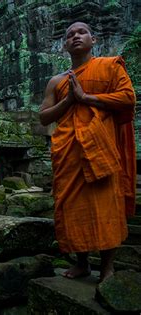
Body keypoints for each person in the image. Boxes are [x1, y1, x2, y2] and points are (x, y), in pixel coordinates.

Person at [39, 22, 136, 282]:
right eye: (70, 35)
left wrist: (87, 98)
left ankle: (107, 267)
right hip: (69, 152)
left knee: (106, 207)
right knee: (71, 206)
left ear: (93, 39)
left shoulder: (110, 66)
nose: (75, 37)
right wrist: (70, 99)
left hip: (101, 148)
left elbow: (128, 98)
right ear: (64, 45)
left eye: (81, 32)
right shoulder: (56, 81)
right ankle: (82, 263)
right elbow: (43, 117)